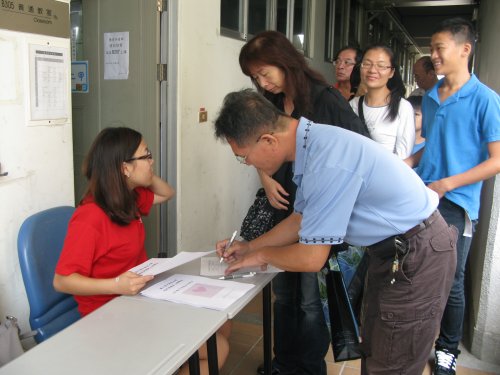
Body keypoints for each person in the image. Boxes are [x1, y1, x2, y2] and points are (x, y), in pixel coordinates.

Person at [213, 89, 457, 375]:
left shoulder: (325, 158)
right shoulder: (312, 144)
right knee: (380, 350)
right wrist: (250, 247)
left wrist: (262, 256)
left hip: (417, 254)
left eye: (244, 157)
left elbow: (311, 258)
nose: (249, 164)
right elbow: (300, 220)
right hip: (396, 252)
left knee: (392, 364)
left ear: (268, 140)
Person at [238, 30, 369, 375]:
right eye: (255, 77)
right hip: (285, 212)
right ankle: (284, 363)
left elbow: (358, 151)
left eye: (265, 72)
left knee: (311, 300)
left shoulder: (325, 101)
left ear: (285, 62)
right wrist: (265, 178)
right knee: (284, 293)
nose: (262, 82)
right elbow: (262, 150)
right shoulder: (274, 104)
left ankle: (308, 369)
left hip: (319, 216)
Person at [53, 127, 229, 375]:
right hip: (108, 313)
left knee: (222, 325)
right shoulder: (89, 218)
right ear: (124, 168)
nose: (152, 160)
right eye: (146, 156)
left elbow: (167, 193)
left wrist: (143, 174)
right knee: (217, 347)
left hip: (140, 298)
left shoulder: (129, 199)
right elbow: (62, 281)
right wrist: (116, 285)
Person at [406, 18, 500, 375]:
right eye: (431, 48)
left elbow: (497, 160)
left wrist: (447, 184)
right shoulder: (431, 97)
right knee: (417, 270)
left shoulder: (486, 100)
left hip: (457, 205)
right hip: (421, 197)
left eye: (439, 48)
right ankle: (418, 338)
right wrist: (406, 162)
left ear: (465, 49)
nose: (433, 56)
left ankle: (447, 350)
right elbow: (430, 145)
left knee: (452, 280)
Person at [349, 44, 416, 158]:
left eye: (381, 66)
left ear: (391, 72)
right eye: (367, 64)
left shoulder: (403, 108)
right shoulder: (352, 105)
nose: (372, 70)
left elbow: (403, 156)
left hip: (385, 174)